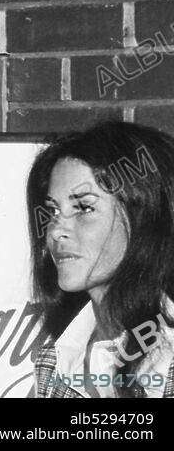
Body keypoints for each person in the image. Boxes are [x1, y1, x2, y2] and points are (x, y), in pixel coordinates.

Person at [25, 120, 174, 398]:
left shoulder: (167, 359)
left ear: (143, 217)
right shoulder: (57, 360)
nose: (57, 230)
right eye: (52, 212)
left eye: (83, 208)